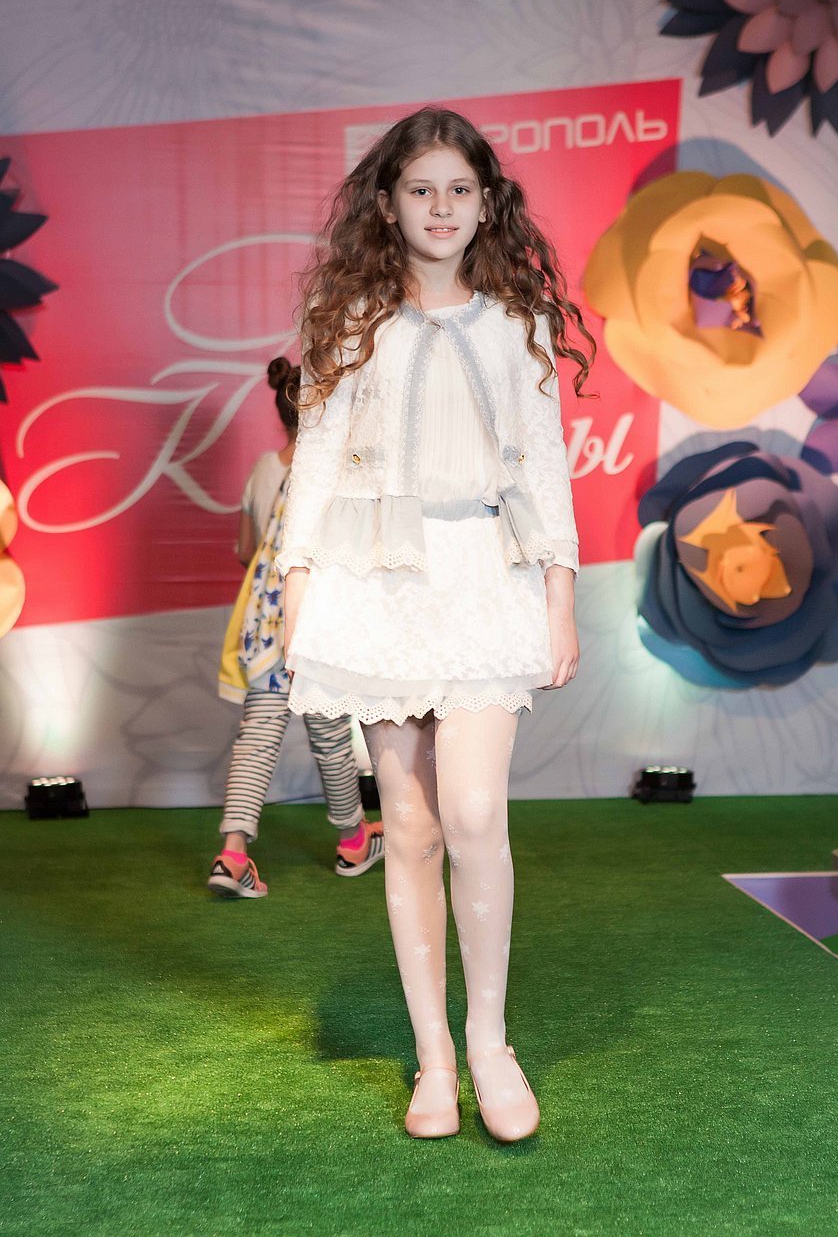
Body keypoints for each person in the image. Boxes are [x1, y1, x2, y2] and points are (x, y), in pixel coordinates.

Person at [277, 108, 594, 1140]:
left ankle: (491, 1043)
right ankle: (435, 1059)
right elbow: (314, 462)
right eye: (421, 189)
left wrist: (559, 595)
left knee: (470, 811)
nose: (441, 207)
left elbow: (543, 464)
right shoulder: (348, 318)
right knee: (408, 827)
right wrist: (295, 586)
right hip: (376, 583)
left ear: (488, 203)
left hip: (485, 580)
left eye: (460, 189)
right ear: (387, 203)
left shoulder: (517, 323)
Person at [208, 356, 384, 899]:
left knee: (257, 740)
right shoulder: (336, 468)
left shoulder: (270, 468)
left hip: (266, 623)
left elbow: (247, 550)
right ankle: (353, 841)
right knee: (331, 735)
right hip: (316, 621)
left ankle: (233, 854)